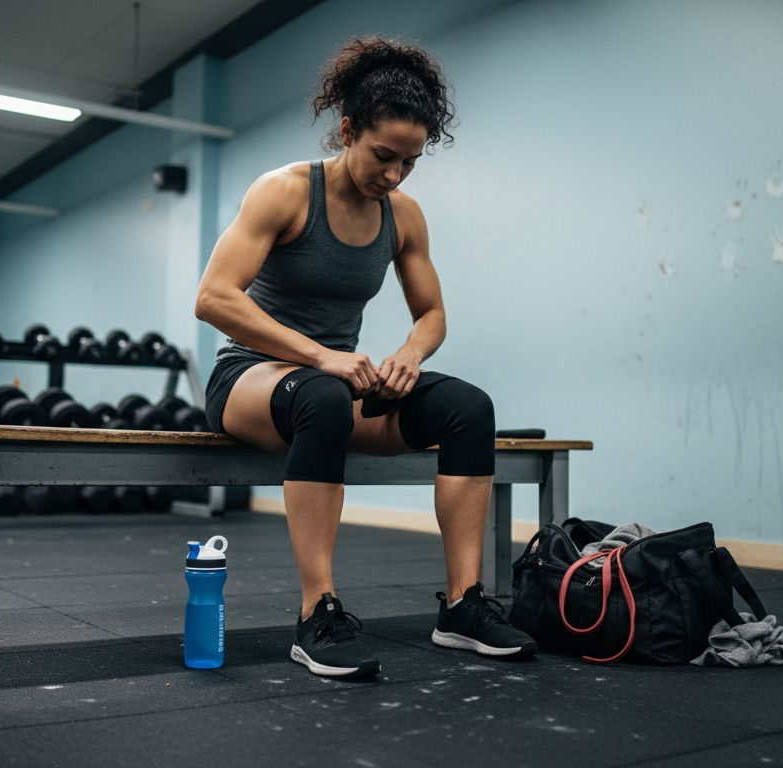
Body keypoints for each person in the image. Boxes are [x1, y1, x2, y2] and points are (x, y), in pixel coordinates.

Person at [194, 36, 535, 678]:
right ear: (347, 130)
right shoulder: (286, 192)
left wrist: (409, 352)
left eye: (410, 161)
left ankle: (462, 606)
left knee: (468, 407)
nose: (394, 175)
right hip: (248, 380)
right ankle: (314, 614)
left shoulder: (402, 215)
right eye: (383, 156)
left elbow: (431, 314)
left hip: (330, 389)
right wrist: (323, 357)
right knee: (322, 395)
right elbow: (213, 299)